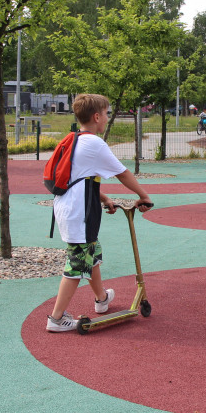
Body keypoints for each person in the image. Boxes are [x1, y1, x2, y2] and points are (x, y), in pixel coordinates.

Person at [47, 93, 154, 332]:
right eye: (106, 113)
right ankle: (56, 319)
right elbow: (122, 173)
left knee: (91, 252)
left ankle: (102, 299)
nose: (107, 117)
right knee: (77, 264)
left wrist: (105, 198)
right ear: (97, 116)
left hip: (73, 207)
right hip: (78, 213)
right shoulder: (94, 143)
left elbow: (82, 178)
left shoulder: (74, 139)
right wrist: (143, 196)